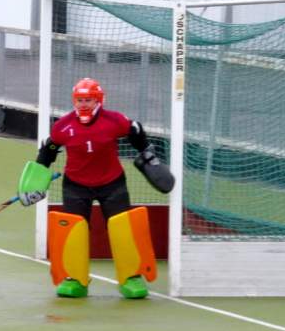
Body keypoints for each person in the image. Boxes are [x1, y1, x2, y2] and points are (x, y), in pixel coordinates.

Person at [18, 77, 174, 299]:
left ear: (99, 100)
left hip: (112, 183)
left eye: (88, 100)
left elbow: (136, 130)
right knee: (74, 231)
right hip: (76, 186)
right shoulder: (63, 126)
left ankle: (131, 278)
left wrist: (147, 154)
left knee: (124, 229)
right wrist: (36, 181)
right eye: (79, 100)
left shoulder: (114, 121)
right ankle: (75, 280)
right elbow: (48, 151)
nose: (83, 104)